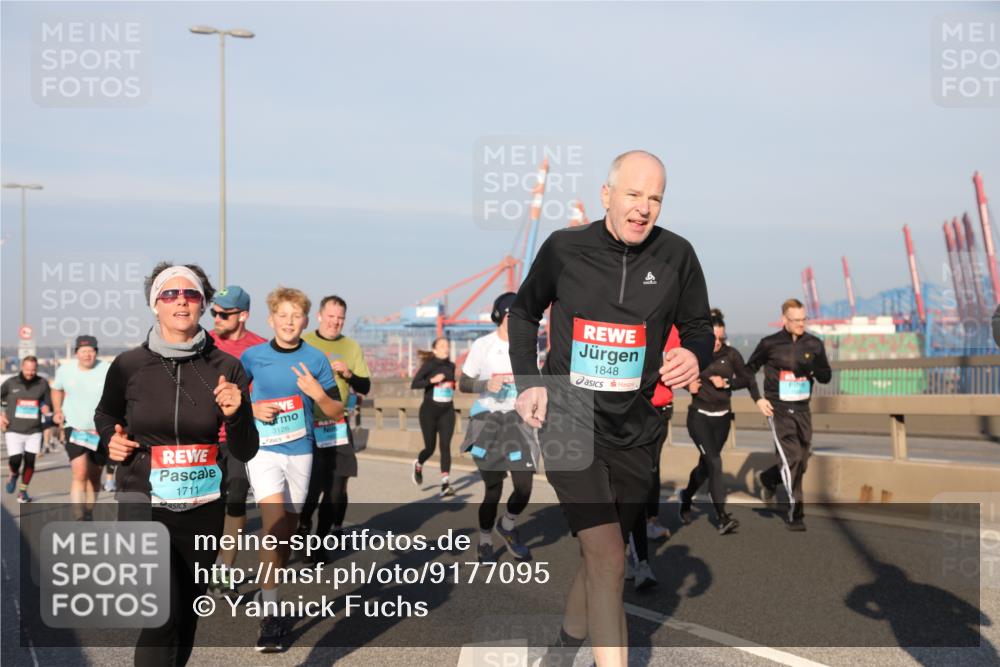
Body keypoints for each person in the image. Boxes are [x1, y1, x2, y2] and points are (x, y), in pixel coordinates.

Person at [509, 150, 713, 666]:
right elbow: (523, 312)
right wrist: (528, 382)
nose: (643, 208)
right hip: (568, 419)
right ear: (606, 195)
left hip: (637, 429)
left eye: (655, 199)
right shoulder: (564, 248)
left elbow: (697, 328)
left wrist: (694, 354)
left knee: (604, 555)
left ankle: (562, 649)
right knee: (606, 555)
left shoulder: (678, 255)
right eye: (633, 194)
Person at [94, 262, 258, 667]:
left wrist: (237, 414)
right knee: (162, 611)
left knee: (186, 614)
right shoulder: (129, 365)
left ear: (203, 304)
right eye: (170, 294)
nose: (181, 301)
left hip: (202, 505)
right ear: (155, 304)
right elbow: (105, 415)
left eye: (191, 294)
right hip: (142, 499)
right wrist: (110, 439)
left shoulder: (227, 368)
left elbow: (246, 448)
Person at [240, 287, 343, 651]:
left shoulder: (315, 358)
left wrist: (318, 394)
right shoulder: (253, 357)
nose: (288, 322)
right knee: (273, 526)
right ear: (271, 320)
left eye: (295, 316)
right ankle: (270, 615)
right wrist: (252, 409)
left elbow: (337, 411)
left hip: (301, 451)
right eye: (282, 315)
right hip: (263, 450)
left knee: (287, 530)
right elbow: (230, 398)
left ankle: (269, 588)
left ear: (305, 321)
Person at [461, 292, 537, 563]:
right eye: (511, 315)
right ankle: (484, 541)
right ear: (500, 316)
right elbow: (463, 383)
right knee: (493, 490)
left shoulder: (527, 347)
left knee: (524, 487)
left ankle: (507, 524)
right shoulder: (483, 345)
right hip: (487, 422)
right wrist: (486, 384)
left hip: (517, 423)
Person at [746, 298, 832, 531]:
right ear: (784, 319)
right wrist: (758, 399)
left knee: (801, 460)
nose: (801, 324)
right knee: (791, 458)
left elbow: (826, 376)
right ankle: (796, 513)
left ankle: (769, 478)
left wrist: (813, 368)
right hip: (778, 409)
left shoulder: (814, 344)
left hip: (802, 408)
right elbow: (748, 370)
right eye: (796, 320)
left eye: (804, 319)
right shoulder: (769, 344)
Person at [203, 285, 267, 595]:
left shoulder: (259, 349)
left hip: (238, 436)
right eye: (213, 312)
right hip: (203, 437)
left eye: (224, 314)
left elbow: (269, 390)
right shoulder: (201, 343)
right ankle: (205, 562)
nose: (216, 318)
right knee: (206, 506)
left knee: (236, 499)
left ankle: (224, 571)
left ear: (243, 315)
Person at [298, 296, 371, 556]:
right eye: (331, 316)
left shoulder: (351, 347)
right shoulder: (304, 341)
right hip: (308, 425)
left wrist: (349, 375)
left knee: (336, 487)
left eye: (340, 318)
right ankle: (302, 526)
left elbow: (365, 387)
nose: (335, 322)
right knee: (311, 487)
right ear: (320, 316)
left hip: (337, 425)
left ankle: (320, 543)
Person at [677, 309, 756, 535]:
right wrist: (687, 386)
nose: (718, 342)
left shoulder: (731, 355)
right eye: (714, 338)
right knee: (715, 462)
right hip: (699, 417)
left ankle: (686, 495)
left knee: (706, 466)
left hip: (722, 419)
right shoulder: (695, 355)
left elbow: (747, 379)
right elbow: (676, 375)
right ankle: (722, 518)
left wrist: (727, 383)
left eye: (722, 338)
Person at [625, 327, 680, 591]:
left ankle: (641, 563)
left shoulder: (671, 329)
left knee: (642, 477)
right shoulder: (619, 324)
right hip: (613, 414)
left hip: (653, 412)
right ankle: (618, 552)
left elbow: (678, 365)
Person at [52, 335, 111, 520]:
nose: (87, 355)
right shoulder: (65, 370)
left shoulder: (107, 369)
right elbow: (56, 389)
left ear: (96, 353)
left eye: (91, 351)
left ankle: (89, 512)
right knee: (80, 473)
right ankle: (78, 517)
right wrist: (57, 410)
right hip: (74, 427)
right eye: (83, 351)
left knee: (94, 477)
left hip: (100, 430)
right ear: (76, 353)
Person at [1, 356, 52, 503]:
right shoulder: (11, 382)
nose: (30, 373)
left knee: (30, 461)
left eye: (33, 370)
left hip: (34, 430)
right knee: (15, 460)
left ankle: (23, 492)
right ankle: (13, 473)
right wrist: (1, 415)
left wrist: (46, 407)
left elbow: (48, 403)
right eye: (27, 369)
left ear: (37, 369)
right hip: (13, 429)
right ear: (22, 367)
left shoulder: (42, 383)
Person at [410, 336, 457, 496]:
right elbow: (415, 384)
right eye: (442, 345)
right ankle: (418, 464)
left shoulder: (451, 366)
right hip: (429, 412)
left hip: (447, 411)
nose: (446, 348)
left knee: (445, 446)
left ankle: (445, 483)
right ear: (435, 350)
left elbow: (451, 385)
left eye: (447, 345)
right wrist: (432, 380)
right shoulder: (429, 365)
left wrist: (453, 385)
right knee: (430, 448)